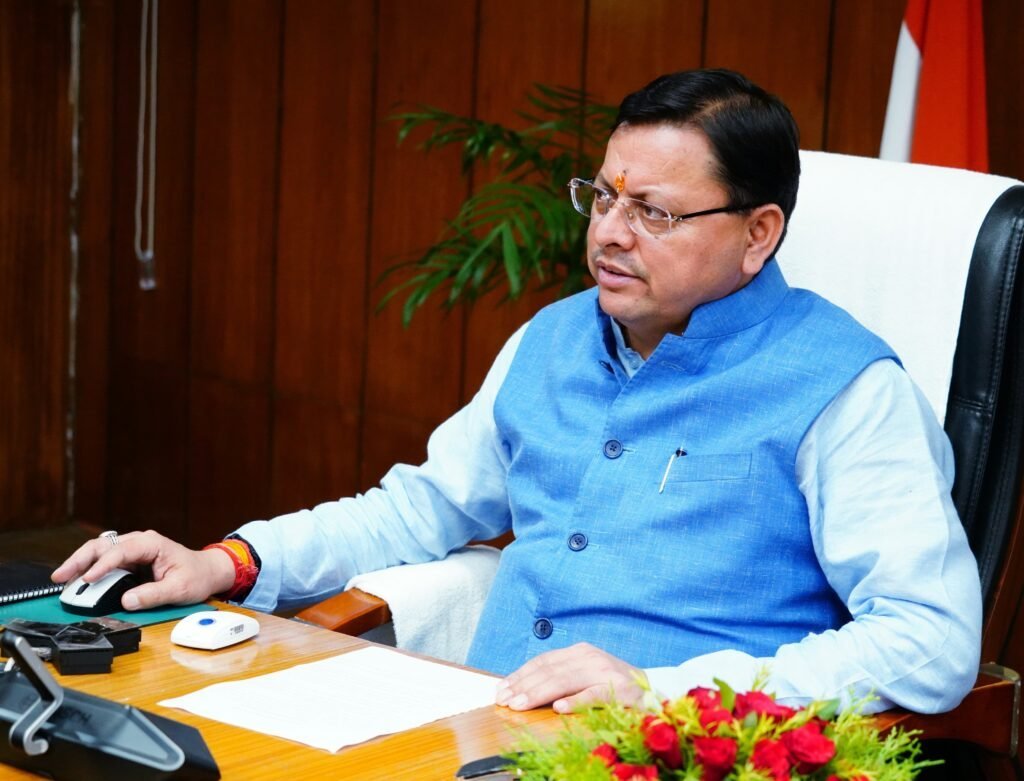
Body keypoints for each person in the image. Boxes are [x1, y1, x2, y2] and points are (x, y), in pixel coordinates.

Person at [54, 69, 981, 717]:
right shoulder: (552, 337)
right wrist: (229, 561)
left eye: (654, 212)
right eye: (604, 197)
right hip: (474, 731)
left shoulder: (847, 388)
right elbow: (418, 509)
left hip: (670, 752)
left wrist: (663, 693)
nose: (610, 233)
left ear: (758, 233)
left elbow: (928, 640)